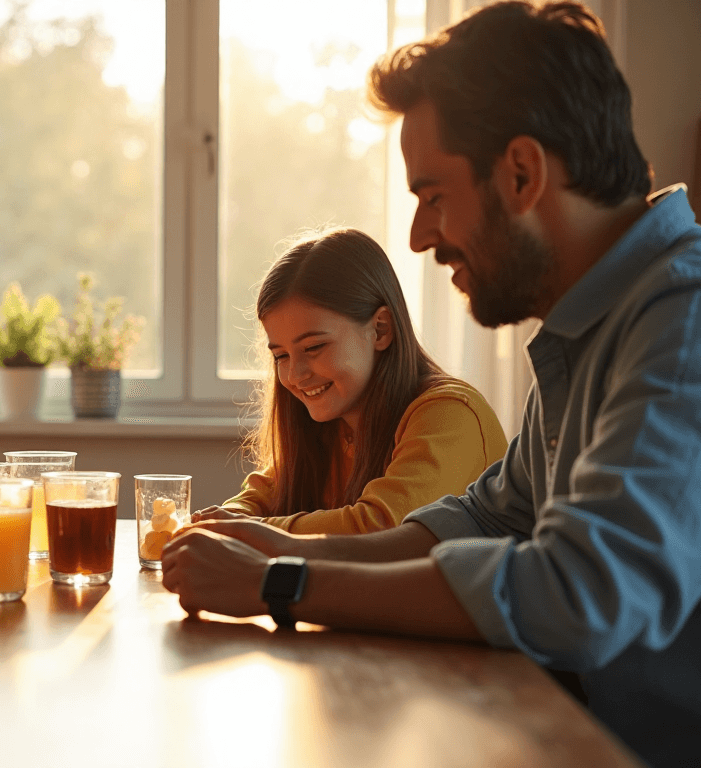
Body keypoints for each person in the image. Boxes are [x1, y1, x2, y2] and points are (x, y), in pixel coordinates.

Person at [161, 4, 699, 766]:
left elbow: (577, 592)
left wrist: (282, 580)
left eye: (433, 194)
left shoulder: (683, 323)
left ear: (521, 172)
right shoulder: (590, 327)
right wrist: (270, 546)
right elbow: (487, 515)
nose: (417, 236)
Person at [196, 228, 506, 534]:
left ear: (380, 329)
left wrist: (247, 529)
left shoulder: (451, 414)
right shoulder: (331, 423)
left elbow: (380, 528)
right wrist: (224, 520)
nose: (295, 374)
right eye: (281, 356)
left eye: (314, 347)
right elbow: (256, 500)